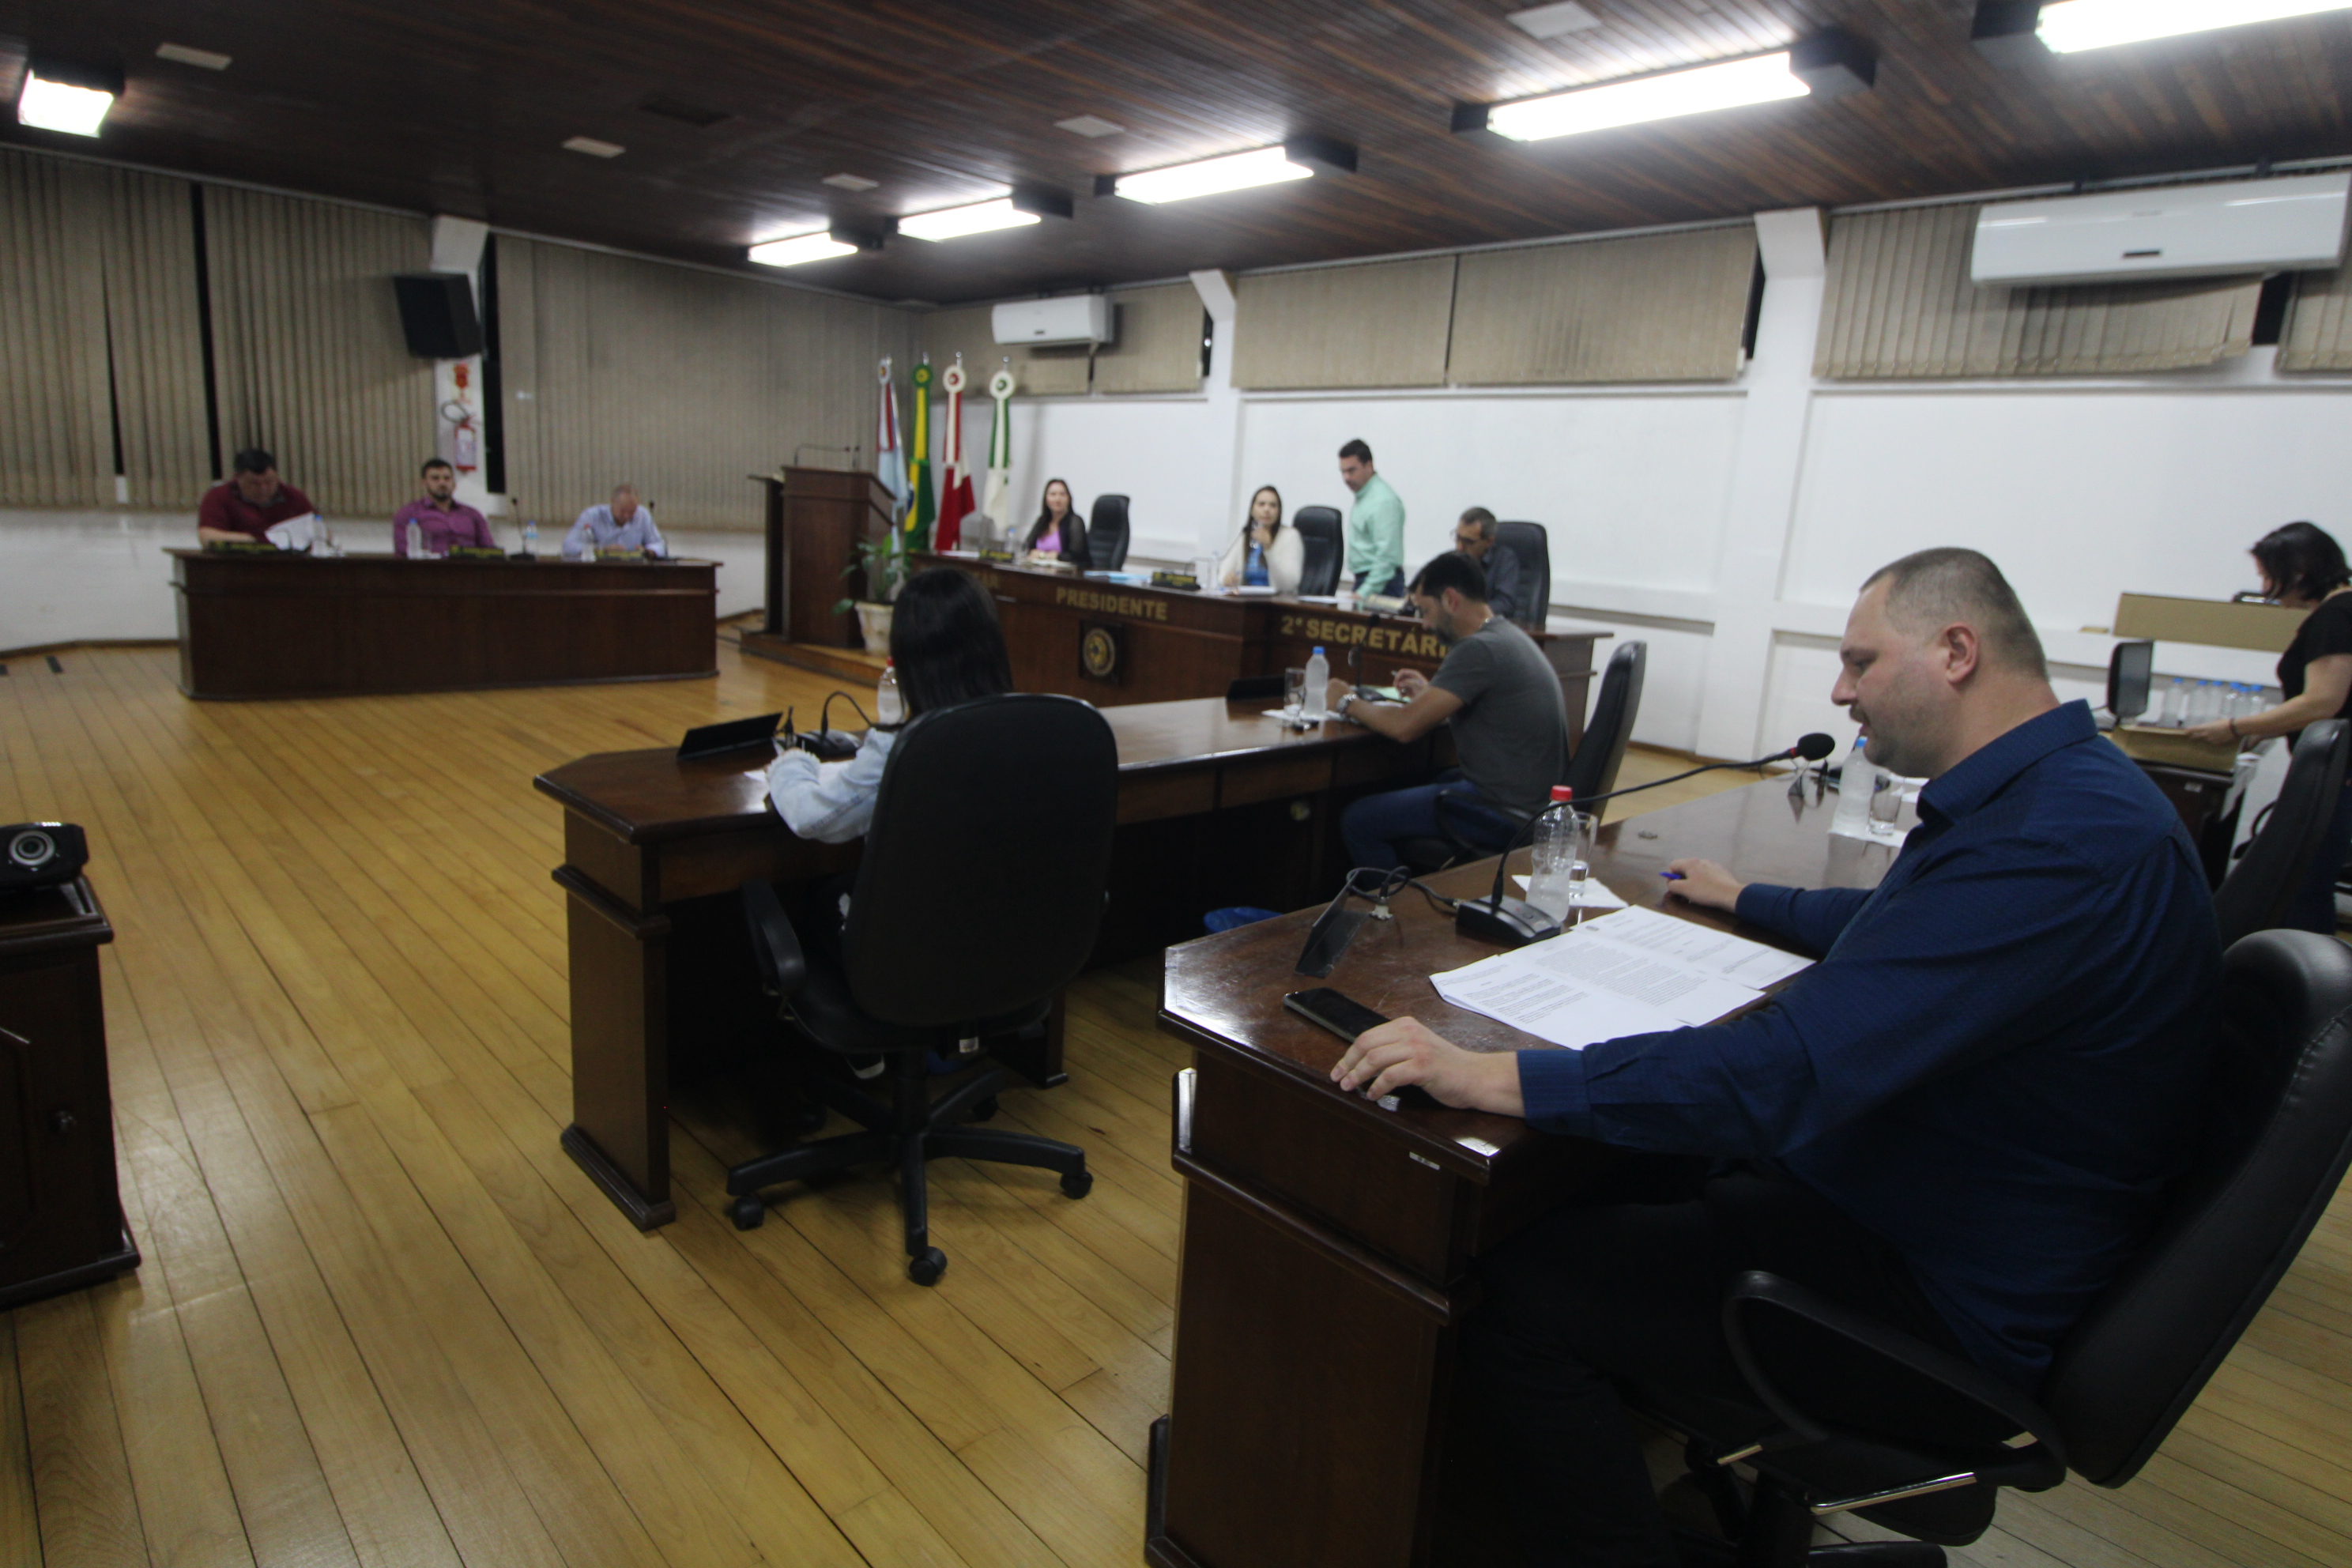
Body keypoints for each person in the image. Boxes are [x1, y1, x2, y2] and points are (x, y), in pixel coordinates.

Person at [1329, 547, 2221, 1568]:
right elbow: (1910, 925)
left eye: (1859, 662)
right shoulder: (2064, 797)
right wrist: (1754, 900)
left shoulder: (2061, 846)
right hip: (1924, 1207)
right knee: (1608, 1179)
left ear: (1957, 651)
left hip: (1932, 1300)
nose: (1840, 691)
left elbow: (1785, 1073)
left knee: (1526, 1298)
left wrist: (1497, 1075)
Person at [1325, 550, 1570, 872]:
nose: (1424, 625)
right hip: (1530, 802)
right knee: (1423, 779)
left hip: (1504, 811)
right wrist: (1430, 695)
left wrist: (1346, 701)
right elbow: (1488, 708)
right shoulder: (1506, 636)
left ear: (1450, 600)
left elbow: (1404, 727)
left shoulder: (1477, 648)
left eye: (1425, 611)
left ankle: (1393, 913)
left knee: (1358, 821)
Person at [2183, 520, 2352, 933]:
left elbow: (2322, 703)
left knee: (2304, 886)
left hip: (2339, 779)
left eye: (2266, 575)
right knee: (2304, 883)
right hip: (2341, 775)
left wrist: (2238, 726)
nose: (2263, 586)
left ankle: (2310, 986)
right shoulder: (2340, 610)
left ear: (2297, 573)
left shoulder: (2336, 615)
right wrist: (2262, 729)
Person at [766, 566, 1016, 844]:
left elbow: (812, 818)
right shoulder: (1032, 730)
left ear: (908, 657)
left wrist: (791, 763)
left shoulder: (901, 749)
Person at [196, 447, 317, 545]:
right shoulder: (219, 496)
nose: (263, 488)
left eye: (269, 482)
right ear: (237, 477)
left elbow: (318, 529)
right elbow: (207, 537)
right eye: (254, 484)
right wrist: (260, 540)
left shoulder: (292, 496)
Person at [1339, 438, 1405, 598]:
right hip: (1369, 580)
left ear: (1369, 466)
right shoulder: (1365, 496)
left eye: (1351, 470)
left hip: (1381, 584)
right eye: (1343, 472)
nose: (1346, 477)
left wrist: (1364, 592)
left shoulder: (1382, 501)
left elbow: (1387, 556)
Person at [392, 459, 498, 557]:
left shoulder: (472, 514)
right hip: (428, 572)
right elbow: (402, 552)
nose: (442, 483)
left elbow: (489, 550)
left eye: (447, 478)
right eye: (435, 478)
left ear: (454, 484)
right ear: (423, 483)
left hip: (468, 571)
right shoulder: (409, 513)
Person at [1217, 485, 1303, 594]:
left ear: (1279, 511)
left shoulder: (1290, 536)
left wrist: (1269, 549)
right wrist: (1227, 578)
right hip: (1247, 600)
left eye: (1273, 505)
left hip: (1277, 602)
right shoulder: (1246, 536)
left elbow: (1288, 584)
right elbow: (1224, 570)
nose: (1266, 509)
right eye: (1261, 504)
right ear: (1252, 510)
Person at [1453, 507, 1525, 624]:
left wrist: (1468, 611)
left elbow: (1505, 605)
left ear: (1489, 542)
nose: (1460, 547)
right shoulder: (1452, 559)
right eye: (1458, 538)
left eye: (1468, 542)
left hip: (1490, 631)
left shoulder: (1505, 560)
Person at [563, 484, 666, 559]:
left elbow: (659, 545)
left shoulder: (643, 515)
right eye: (623, 511)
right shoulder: (592, 515)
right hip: (599, 570)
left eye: (632, 512)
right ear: (612, 502)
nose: (627, 516)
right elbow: (569, 546)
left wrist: (648, 552)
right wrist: (602, 550)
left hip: (633, 570)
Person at [1021, 478, 1087, 565]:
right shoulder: (1042, 521)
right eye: (1053, 494)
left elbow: (1076, 555)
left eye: (1062, 494)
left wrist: (1048, 556)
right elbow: (1026, 547)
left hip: (1066, 575)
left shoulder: (1075, 522)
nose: (1057, 499)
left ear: (1069, 498)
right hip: (1039, 571)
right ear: (1046, 499)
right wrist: (1041, 555)